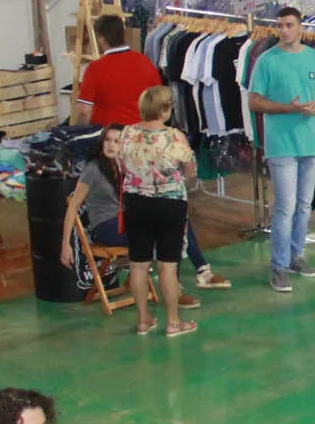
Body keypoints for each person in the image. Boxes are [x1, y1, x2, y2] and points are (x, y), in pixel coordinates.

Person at [59, 125, 230, 306]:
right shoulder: (93, 169)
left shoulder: (129, 165)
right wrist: (65, 244)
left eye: (116, 141)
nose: (111, 145)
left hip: (130, 219)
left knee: (176, 219)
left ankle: (202, 272)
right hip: (105, 226)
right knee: (165, 231)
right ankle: (176, 289)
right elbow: (73, 206)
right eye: (107, 140)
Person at [246, 6, 315, 293]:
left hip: (311, 142)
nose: (284, 30)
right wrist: (288, 108)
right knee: (285, 206)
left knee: (304, 204)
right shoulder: (266, 61)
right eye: (280, 25)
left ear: (300, 27)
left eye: (289, 25)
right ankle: (279, 267)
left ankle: (296, 255)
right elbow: (254, 102)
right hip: (281, 144)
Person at [119, 88, 198, 338]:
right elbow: (190, 170)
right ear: (166, 109)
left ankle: (143, 319)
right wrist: (181, 183)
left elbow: (121, 166)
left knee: (139, 264)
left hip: (135, 201)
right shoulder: (175, 137)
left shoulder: (128, 133)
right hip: (169, 202)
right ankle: (173, 322)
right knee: (168, 265)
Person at [72, 15, 163, 127]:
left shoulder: (95, 69)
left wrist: (78, 133)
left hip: (109, 135)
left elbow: (84, 112)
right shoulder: (145, 62)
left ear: (101, 38)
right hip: (141, 133)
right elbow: (159, 102)